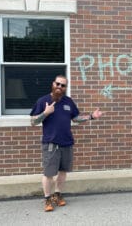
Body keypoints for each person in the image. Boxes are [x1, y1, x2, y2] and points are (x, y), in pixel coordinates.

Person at [30, 75, 103, 212]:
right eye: (58, 84)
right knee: (49, 174)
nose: (60, 87)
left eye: (63, 85)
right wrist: (45, 113)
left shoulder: (68, 102)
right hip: (51, 144)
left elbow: (75, 119)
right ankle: (47, 199)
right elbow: (33, 122)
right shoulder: (43, 101)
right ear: (53, 84)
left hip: (67, 143)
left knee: (63, 172)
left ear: (65, 88)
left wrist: (91, 117)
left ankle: (58, 195)